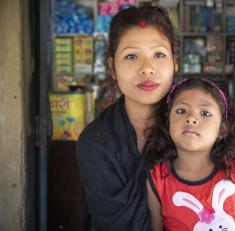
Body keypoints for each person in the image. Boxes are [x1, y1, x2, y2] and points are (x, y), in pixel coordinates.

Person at [76, 6, 175, 231]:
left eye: (159, 55)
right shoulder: (95, 142)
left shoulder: (197, 128)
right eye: (132, 56)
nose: (147, 69)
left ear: (174, 62)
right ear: (112, 67)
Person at [145, 78, 235, 231]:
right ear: (167, 124)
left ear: (223, 129)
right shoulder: (158, 181)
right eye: (181, 111)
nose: (191, 118)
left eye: (205, 113)